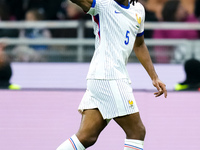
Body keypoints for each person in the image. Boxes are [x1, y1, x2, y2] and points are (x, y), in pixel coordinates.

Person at [57, 0, 167, 150]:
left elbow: (139, 44)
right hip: (109, 76)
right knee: (137, 131)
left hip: (105, 77)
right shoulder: (102, 4)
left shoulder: (138, 9)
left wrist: (154, 76)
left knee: (87, 136)